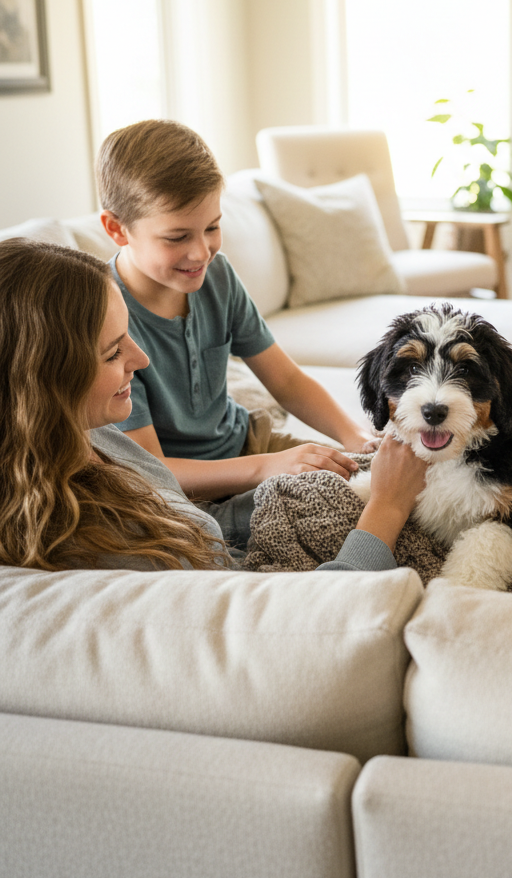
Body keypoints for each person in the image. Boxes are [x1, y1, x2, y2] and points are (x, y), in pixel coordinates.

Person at [0, 239, 425, 573]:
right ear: (43, 384)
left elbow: (198, 517)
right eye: (112, 353)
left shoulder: (93, 433)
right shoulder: (107, 539)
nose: (141, 360)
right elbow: (324, 615)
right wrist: (385, 507)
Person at [95, 119, 376, 546]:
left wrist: (355, 436)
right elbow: (150, 471)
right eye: (176, 237)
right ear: (117, 229)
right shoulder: (107, 317)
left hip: (248, 445)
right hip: (183, 498)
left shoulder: (218, 277)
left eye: (212, 227)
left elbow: (285, 379)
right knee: (343, 513)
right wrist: (267, 468)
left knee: (376, 481)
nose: (200, 252)